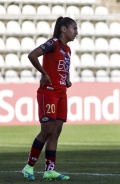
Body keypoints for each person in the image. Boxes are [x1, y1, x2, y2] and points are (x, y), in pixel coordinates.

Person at [21, 16, 78, 180]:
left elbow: (63, 67)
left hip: (61, 94)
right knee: (47, 129)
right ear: (64, 29)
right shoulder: (53, 43)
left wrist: (66, 79)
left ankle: (49, 170)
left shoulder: (67, 49)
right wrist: (44, 73)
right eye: (74, 29)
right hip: (49, 92)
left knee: (56, 131)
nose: (76, 32)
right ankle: (28, 167)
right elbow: (32, 55)